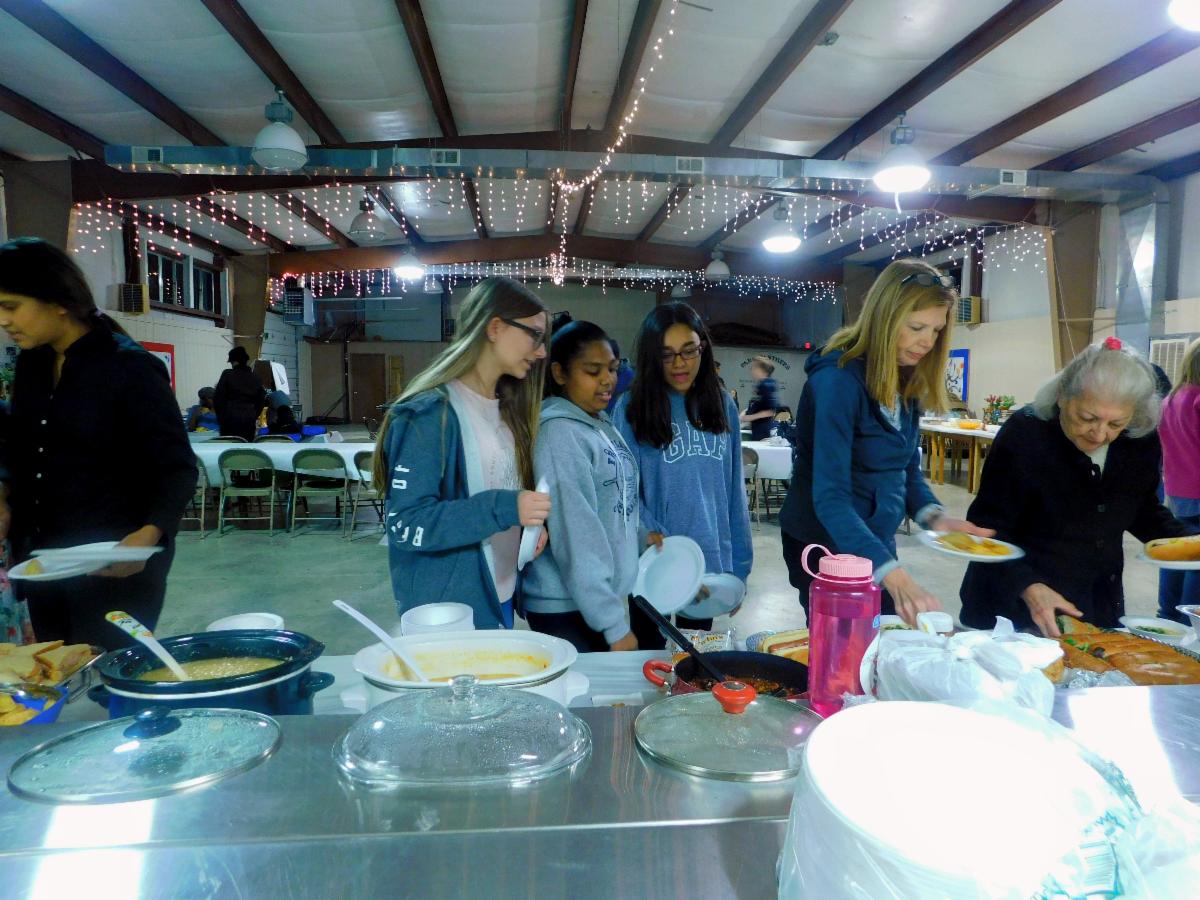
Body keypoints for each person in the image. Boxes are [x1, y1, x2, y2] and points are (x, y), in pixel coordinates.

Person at [0, 238, 197, 647]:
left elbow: (176, 468)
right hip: (43, 559)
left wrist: (147, 537)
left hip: (113, 562)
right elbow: (21, 447)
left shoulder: (130, 367)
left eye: (11, 306)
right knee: (58, 667)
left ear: (58, 301)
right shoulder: (32, 364)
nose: (3, 321)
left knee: (107, 670)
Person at [780, 259, 991, 625]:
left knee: (883, 637)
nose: (927, 341)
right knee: (848, 647)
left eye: (936, 330)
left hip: (871, 539)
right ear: (884, 318)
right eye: (916, 327)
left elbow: (906, 468)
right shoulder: (837, 382)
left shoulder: (903, 378)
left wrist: (934, 517)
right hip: (825, 541)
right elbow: (831, 498)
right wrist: (892, 573)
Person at [960, 337, 1196, 637]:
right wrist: (1028, 586)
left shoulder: (1138, 438)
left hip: (1094, 601)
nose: (1099, 434)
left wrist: (1189, 543)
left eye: (1116, 424)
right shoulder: (1025, 434)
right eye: (1087, 418)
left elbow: (1141, 507)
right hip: (1014, 606)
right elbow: (986, 528)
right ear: (1062, 396)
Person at [373, 276, 552, 631]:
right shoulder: (428, 416)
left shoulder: (508, 412)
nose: (541, 351)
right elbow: (405, 524)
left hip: (499, 596)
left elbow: (493, 496)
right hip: (450, 612)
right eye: (534, 335)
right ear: (495, 328)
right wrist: (505, 507)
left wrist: (525, 526)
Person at [614, 302, 752, 647]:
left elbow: (733, 492)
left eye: (689, 350)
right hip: (653, 562)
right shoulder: (631, 408)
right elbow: (623, 491)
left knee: (692, 656)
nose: (680, 363)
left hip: (706, 565)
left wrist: (739, 569)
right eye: (667, 354)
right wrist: (650, 535)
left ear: (702, 348)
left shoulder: (722, 405)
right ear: (652, 357)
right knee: (647, 657)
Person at [524, 321, 642, 652]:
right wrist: (613, 625)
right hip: (567, 608)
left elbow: (612, 503)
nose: (607, 379)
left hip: (596, 600)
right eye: (593, 371)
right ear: (560, 373)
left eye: (612, 369)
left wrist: (642, 536)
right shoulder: (559, 435)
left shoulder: (598, 423)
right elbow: (577, 536)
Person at [1156, 338, 1200, 623]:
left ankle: (1166, 616)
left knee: (1177, 553)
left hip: (1176, 491)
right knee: (1197, 560)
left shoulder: (1171, 399)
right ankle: (1189, 622)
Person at [214, 346, 264, 442]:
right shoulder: (256, 378)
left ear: (235, 362)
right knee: (246, 446)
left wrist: (222, 418)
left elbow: (218, 399)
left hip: (229, 421)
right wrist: (253, 415)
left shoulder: (227, 374)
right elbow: (261, 402)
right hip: (249, 421)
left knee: (228, 447)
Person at [740, 356, 779, 440]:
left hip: (763, 430)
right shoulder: (762, 385)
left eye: (754, 367)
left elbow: (770, 411)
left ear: (762, 370)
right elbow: (759, 405)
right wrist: (746, 413)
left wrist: (750, 417)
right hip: (757, 429)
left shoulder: (766, 385)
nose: (751, 370)